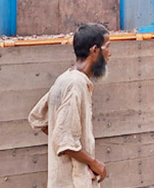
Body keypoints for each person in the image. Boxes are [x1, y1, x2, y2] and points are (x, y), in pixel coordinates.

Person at [28, 24, 112, 188]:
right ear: (94, 50)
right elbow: (63, 139)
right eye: (107, 47)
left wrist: (77, 154)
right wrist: (94, 163)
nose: (110, 53)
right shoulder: (75, 84)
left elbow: (39, 118)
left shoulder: (65, 79)